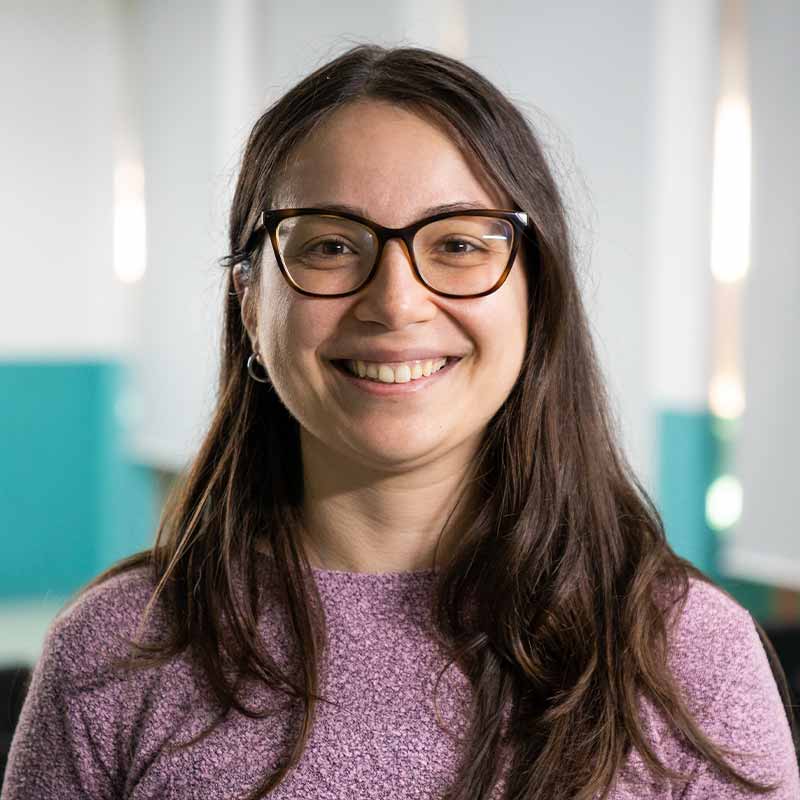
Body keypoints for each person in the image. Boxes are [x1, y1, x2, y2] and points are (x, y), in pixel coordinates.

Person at [2, 44, 798, 800]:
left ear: (537, 295)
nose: (395, 302)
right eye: (330, 246)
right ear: (249, 303)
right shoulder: (113, 653)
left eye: (457, 244)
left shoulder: (689, 656)